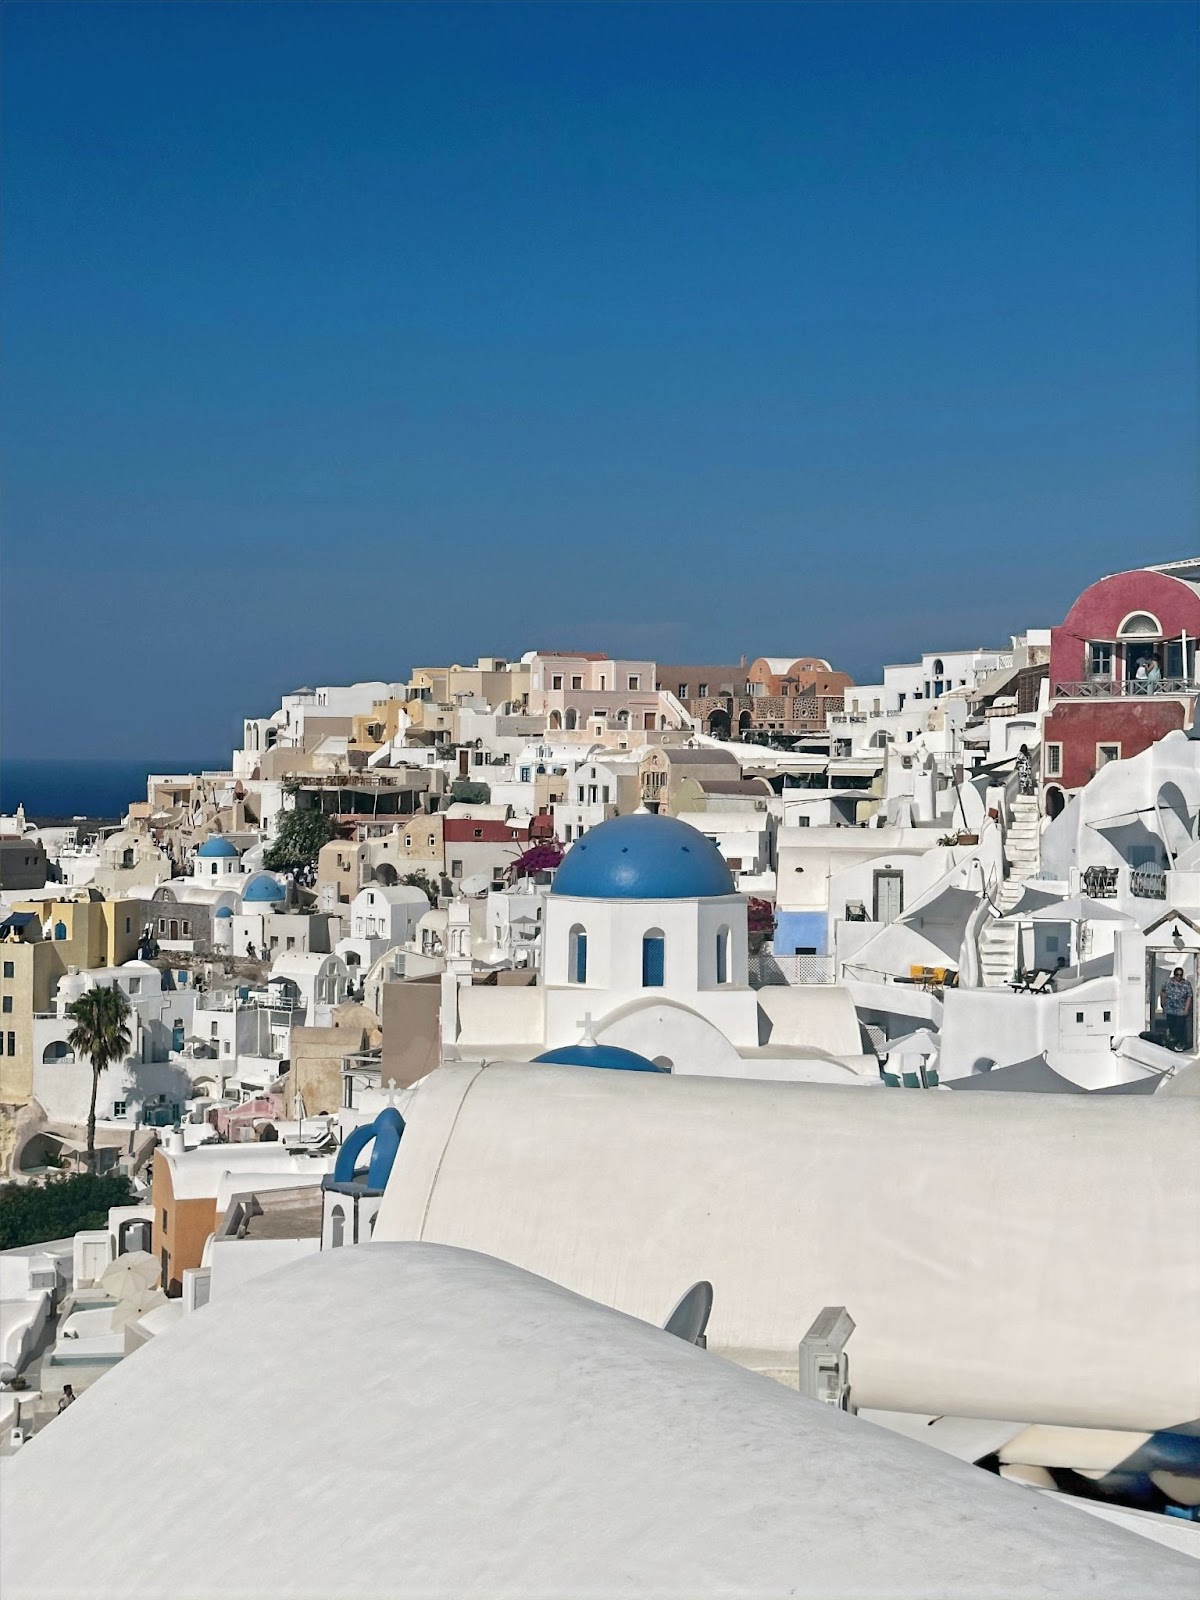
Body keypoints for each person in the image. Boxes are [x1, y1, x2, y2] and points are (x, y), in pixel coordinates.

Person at [1160, 967, 1194, 1052]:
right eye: (1177, 975)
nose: (1179, 976)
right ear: (1174, 975)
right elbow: (1163, 992)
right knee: (1171, 1027)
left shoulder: (1186, 984)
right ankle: (1171, 1044)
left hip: (1181, 1011)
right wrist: (1162, 1003)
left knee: (1179, 1028)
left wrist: (1186, 1009)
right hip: (1170, 1010)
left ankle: (1179, 1043)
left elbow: (1189, 996)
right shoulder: (1168, 982)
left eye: (1180, 975)